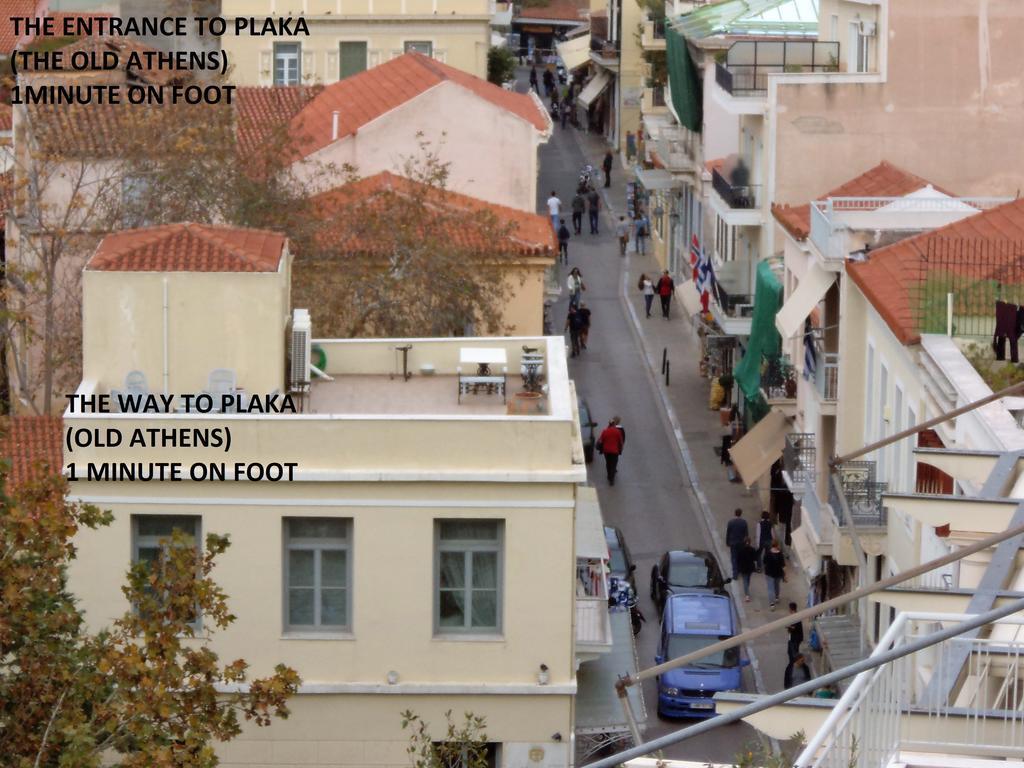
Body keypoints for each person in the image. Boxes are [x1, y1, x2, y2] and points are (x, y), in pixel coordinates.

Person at [597, 418, 625, 485]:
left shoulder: (605, 431)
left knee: (608, 463)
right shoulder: (617, 432)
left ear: (609, 424)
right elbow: (620, 442)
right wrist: (620, 450)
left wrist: (600, 448)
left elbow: (600, 440)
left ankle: (609, 476)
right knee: (613, 464)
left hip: (606, 451)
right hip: (615, 451)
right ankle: (611, 479)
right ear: (614, 424)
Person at [725, 508, 749, 581]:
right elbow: (746, 534)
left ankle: (735, 573)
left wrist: (727, 542)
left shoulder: (731, 522)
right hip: (741, 543)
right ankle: (739, 570)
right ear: (741, 514)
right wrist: (746, 542)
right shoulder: (744, 522)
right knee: (740, 557)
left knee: (734, 558)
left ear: (735, 513)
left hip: (733, 542)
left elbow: (728, 533)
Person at [764, 539, 786, 610]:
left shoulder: (768, 553)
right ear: (777, 545)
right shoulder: (780, 554)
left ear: (771, 545)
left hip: (769, 573)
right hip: (778, 573)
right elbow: (783, 565)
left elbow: (764, 562)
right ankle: (777, 597)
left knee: (770, 588)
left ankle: (772, 604)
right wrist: (785, 575)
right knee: (777, 585)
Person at [737, 536, 757, 602]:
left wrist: (738, 567)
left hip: (743, 567)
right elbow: (755, 558)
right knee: (748, 579)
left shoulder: (740, 550)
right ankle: (747, 591)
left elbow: (738, 559)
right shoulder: (752, 549)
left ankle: (747, 595)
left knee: (745, 581)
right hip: (750, 567)